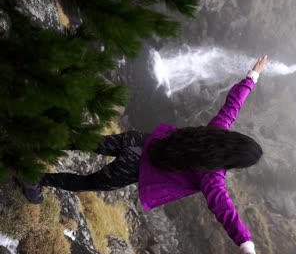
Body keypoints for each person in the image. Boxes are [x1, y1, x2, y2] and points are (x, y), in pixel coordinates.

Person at [16, 55, 269, 254]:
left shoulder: (218, 129)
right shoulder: (211, 176)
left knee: (91, 142)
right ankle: (36, 180)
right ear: (236, 164)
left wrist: (252, 76)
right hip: (133, 167)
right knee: (87, 182)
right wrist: (247, 245)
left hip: (138, 139)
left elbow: (232, 105)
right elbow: (225, 211)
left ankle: (35, 137)